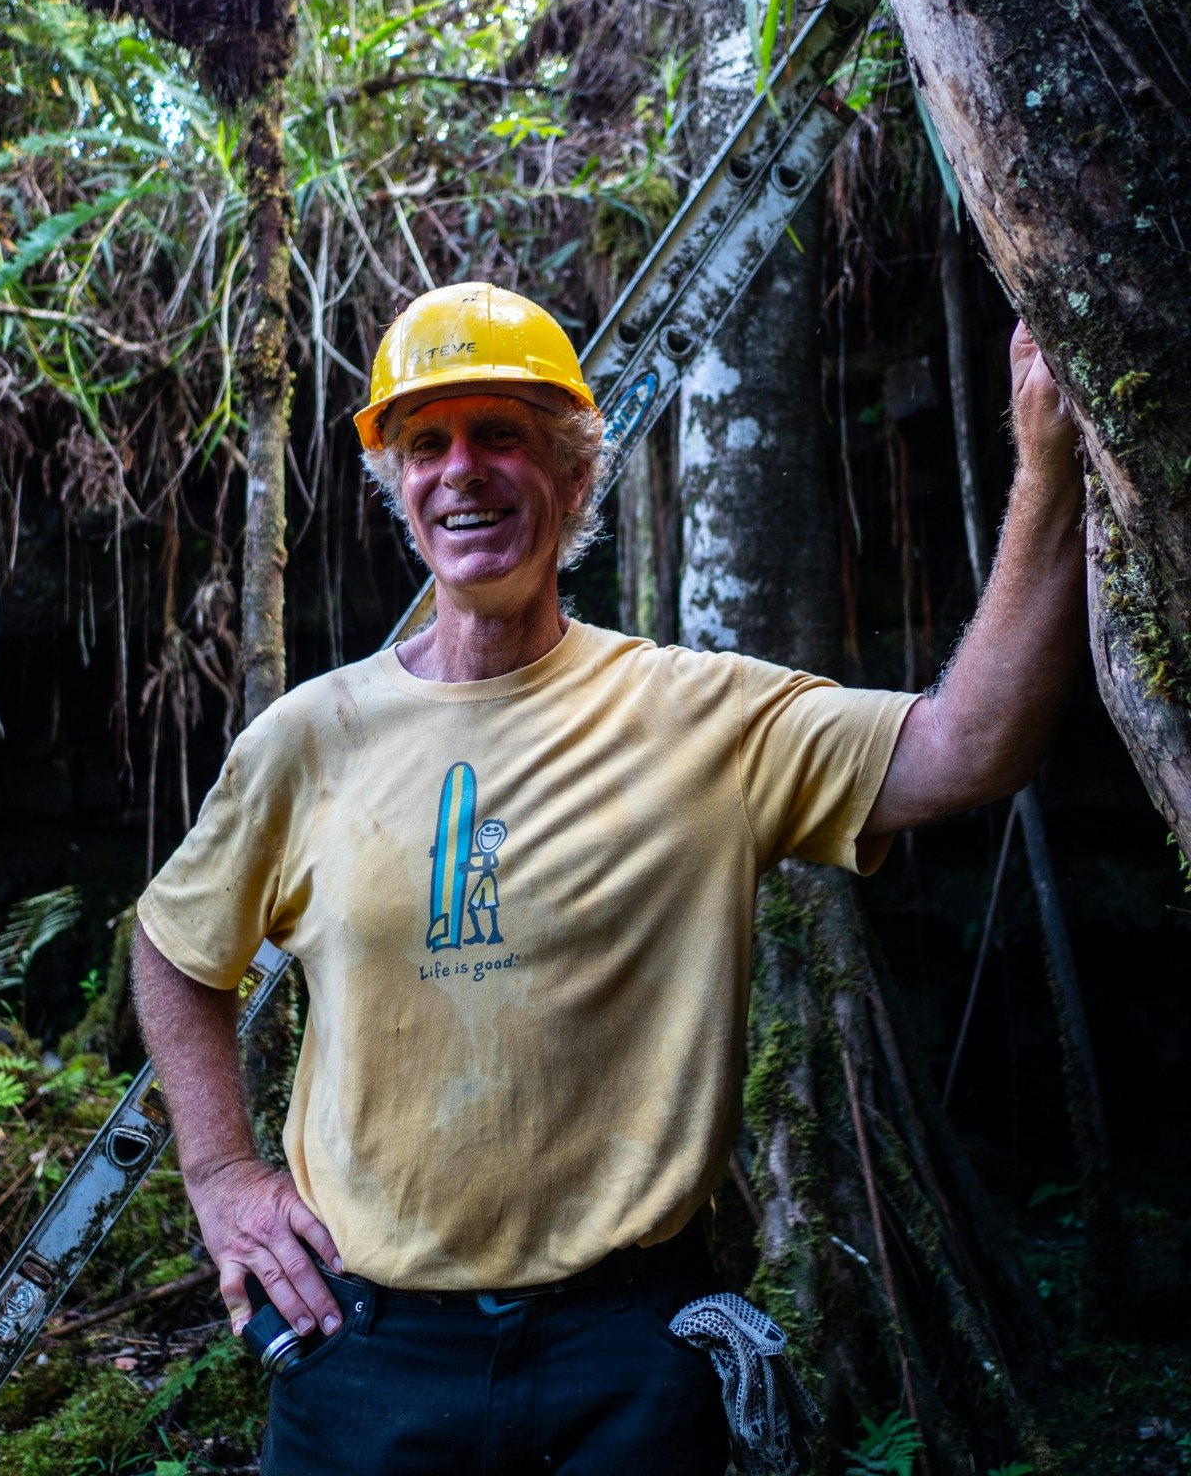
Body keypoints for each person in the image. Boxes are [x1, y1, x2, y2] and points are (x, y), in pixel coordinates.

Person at [132, 281, 1084, 1475]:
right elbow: (175, 948)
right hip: (361, 1355)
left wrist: (1047, 462)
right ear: (398, 489)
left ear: (575, 478)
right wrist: (221, 1174)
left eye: (502, 436)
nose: (462, 471)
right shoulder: (308, 740)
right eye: (428, 444)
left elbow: (974, 744)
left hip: (626, 1360)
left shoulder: (701, 717)